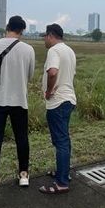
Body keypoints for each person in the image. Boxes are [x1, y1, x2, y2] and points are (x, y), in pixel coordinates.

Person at [0, 15, 36, 194]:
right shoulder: (29, 50)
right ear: (22, 31)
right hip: (20, 100)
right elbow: (30, 75)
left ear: (7, 27)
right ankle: (24, 174)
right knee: (21, 137)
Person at [38, 23, 77, 194]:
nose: (44, 40)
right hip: (69, 99)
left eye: (45, 37)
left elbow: (52, 72)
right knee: (64, 140)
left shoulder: (53, 51)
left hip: (58, 101)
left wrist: (48, 90)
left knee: (60, 141)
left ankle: (61, 182)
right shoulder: (69, 50)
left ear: (51, 35)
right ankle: (63, 173)